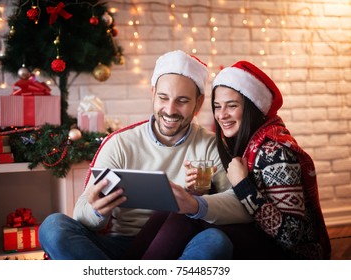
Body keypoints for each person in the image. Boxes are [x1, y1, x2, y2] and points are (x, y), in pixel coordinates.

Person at [38, 50, 252, 260]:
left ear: (199, 103)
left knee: (215, 240)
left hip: (181, 244)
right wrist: (96, 211)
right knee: (53, 226)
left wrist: (195, 205)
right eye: (163, 98)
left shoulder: (210, 145)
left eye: (182, 101)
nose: (170, 109)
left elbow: (240, 206)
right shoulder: (120, 143)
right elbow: (81, 213)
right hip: (120, 246)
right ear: (152, 93)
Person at [137, 60, 331, 260]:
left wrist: (243, 186)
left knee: (187, 213)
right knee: (171, 208)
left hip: (288, 254)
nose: (222, 115)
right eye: (217, 106)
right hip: (256, 238)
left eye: (232, 106)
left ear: (251, 107)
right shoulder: (243, 145)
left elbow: (292, 236)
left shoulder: (274, 152)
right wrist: (203, 189)